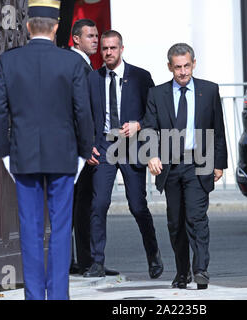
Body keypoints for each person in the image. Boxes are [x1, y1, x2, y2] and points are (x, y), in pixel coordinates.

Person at [0, 0, 94, 300]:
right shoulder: (72, 62)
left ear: (27, 26)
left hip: (23, 155)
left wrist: (4, 153)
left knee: (30, 230)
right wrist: (84, 153)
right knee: (61, 230)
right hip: (63, 156)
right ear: (57, 27)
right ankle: (58, 295)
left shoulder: (9, 61)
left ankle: (35, 296)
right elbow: (82, 112)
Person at [143, 43, 228, 289]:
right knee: (176, 222)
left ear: (194, 64)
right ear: (169, 67)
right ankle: (183, 272)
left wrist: (219, 163)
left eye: (187, 66)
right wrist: (152, 155)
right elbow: (149, 127)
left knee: (196, 217)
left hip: (198, 161)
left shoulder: (209, 90)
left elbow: (218, 129)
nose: (183, 72)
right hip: (170, 165)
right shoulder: (157, 94)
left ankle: (201, 269)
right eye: (178, 67)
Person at [84, 30, 163, 279]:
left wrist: (138, 125)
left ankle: (153, 255)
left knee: (138, 206)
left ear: (122, 49)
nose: (108, 52)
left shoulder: (140, 77)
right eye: (104, 48)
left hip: (132, 146)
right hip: (105, 146)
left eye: (113, 48)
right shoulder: (93, 79)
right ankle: (97, 262)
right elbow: (82, 114)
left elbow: (154, 114)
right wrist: (86, 146)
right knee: (98, 204)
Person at [69, 19, 119, 276]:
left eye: (96, 36)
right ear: (76, 39)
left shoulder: (84, 64)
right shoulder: (77, 65)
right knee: (83, 203)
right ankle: (87, 261)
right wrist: (86, 146)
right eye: (90, 36)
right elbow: (79, 110)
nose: (95, 40)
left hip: (81, 148)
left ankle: (79, 260)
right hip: (83, 149)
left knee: (80, 203)